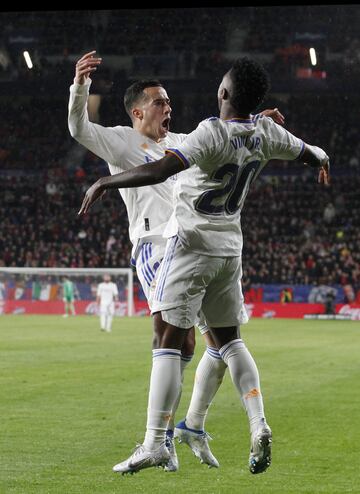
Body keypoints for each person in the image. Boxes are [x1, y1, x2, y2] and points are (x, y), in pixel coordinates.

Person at [78, 56, 330, 475]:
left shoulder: (209, 134)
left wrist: (106, 180)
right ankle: (249, 423)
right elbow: (311, 152)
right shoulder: (267, 133)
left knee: (167, 338)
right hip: (230, 251)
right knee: (227, 341)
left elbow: (160, 168)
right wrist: (320, 160)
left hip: (190, 245)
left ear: (224, 94)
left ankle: (155, 442)